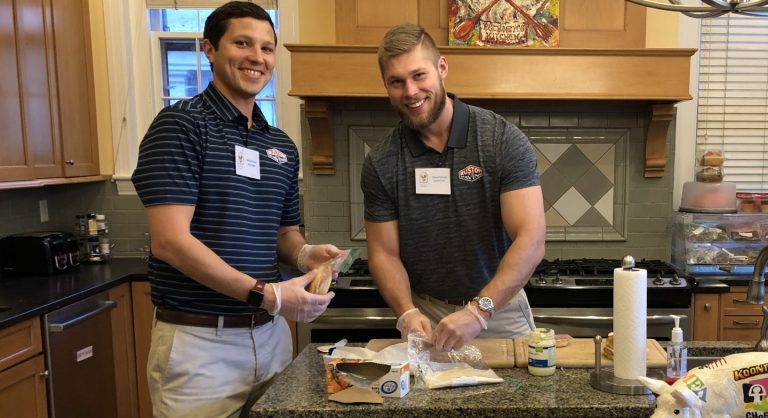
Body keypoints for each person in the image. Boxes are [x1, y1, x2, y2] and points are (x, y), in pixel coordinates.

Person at [131, 2, 341, 417]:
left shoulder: (280, 144)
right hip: (201, 346)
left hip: (272, 338)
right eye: (242, 43)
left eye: (266, 47)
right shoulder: (180, 126)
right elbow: (170, 242)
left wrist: (304, 254)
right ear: (210, 49)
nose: (257, 57)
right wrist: (267, 294)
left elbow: (284, 234)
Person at [361, 24, 546, 352]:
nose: (410, 91)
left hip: (498, 309)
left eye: (419, 75)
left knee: (521, 401)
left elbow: (531, 240)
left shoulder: (500, 139)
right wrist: (405, 311)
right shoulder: (381, 162)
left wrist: (479, 311)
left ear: (441, 68)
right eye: (396, 81)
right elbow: (383, 253)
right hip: (426, 314)